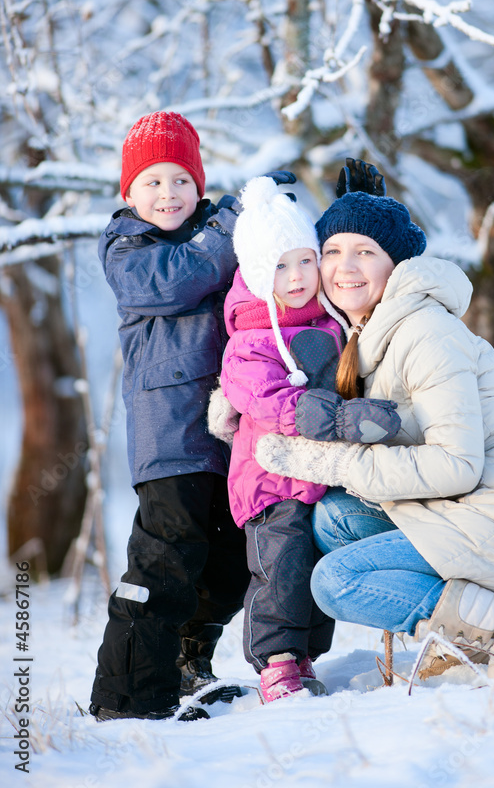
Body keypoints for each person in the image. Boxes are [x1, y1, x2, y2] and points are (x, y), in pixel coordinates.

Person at [253, 190, 494, 674]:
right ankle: (470, 631)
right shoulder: (367, 337)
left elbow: (457, 465)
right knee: (333, 519)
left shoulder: (426, 332)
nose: (346, 266)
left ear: (397, 266)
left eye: (366, 252)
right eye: (333, 251)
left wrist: (339, 463)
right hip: (472, 513)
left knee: (335, 582)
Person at [89, 111, 295, 721]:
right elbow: (177, 282)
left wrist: (268, 219)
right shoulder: (128, 248)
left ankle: (186, 662)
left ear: (197, 184)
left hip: (228, 436)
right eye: (152, 182)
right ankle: (127, 697)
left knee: (230, 562)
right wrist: (233, 221)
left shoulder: (216, 235)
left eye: (181, 180)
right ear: (129, 193)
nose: (168, 193)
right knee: (166, 560)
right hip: (169, 438)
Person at [215, 177, 400, 701]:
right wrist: (324, 417)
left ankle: (304, 655)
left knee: (316, 565)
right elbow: (263, 398)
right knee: (283, 568)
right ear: (257, 272)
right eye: (280, 266)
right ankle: (276, 660)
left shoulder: (329, 320)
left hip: (319, 476)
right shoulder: (250, 337)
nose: (296, 276)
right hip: (270, 482)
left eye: (305, 260)